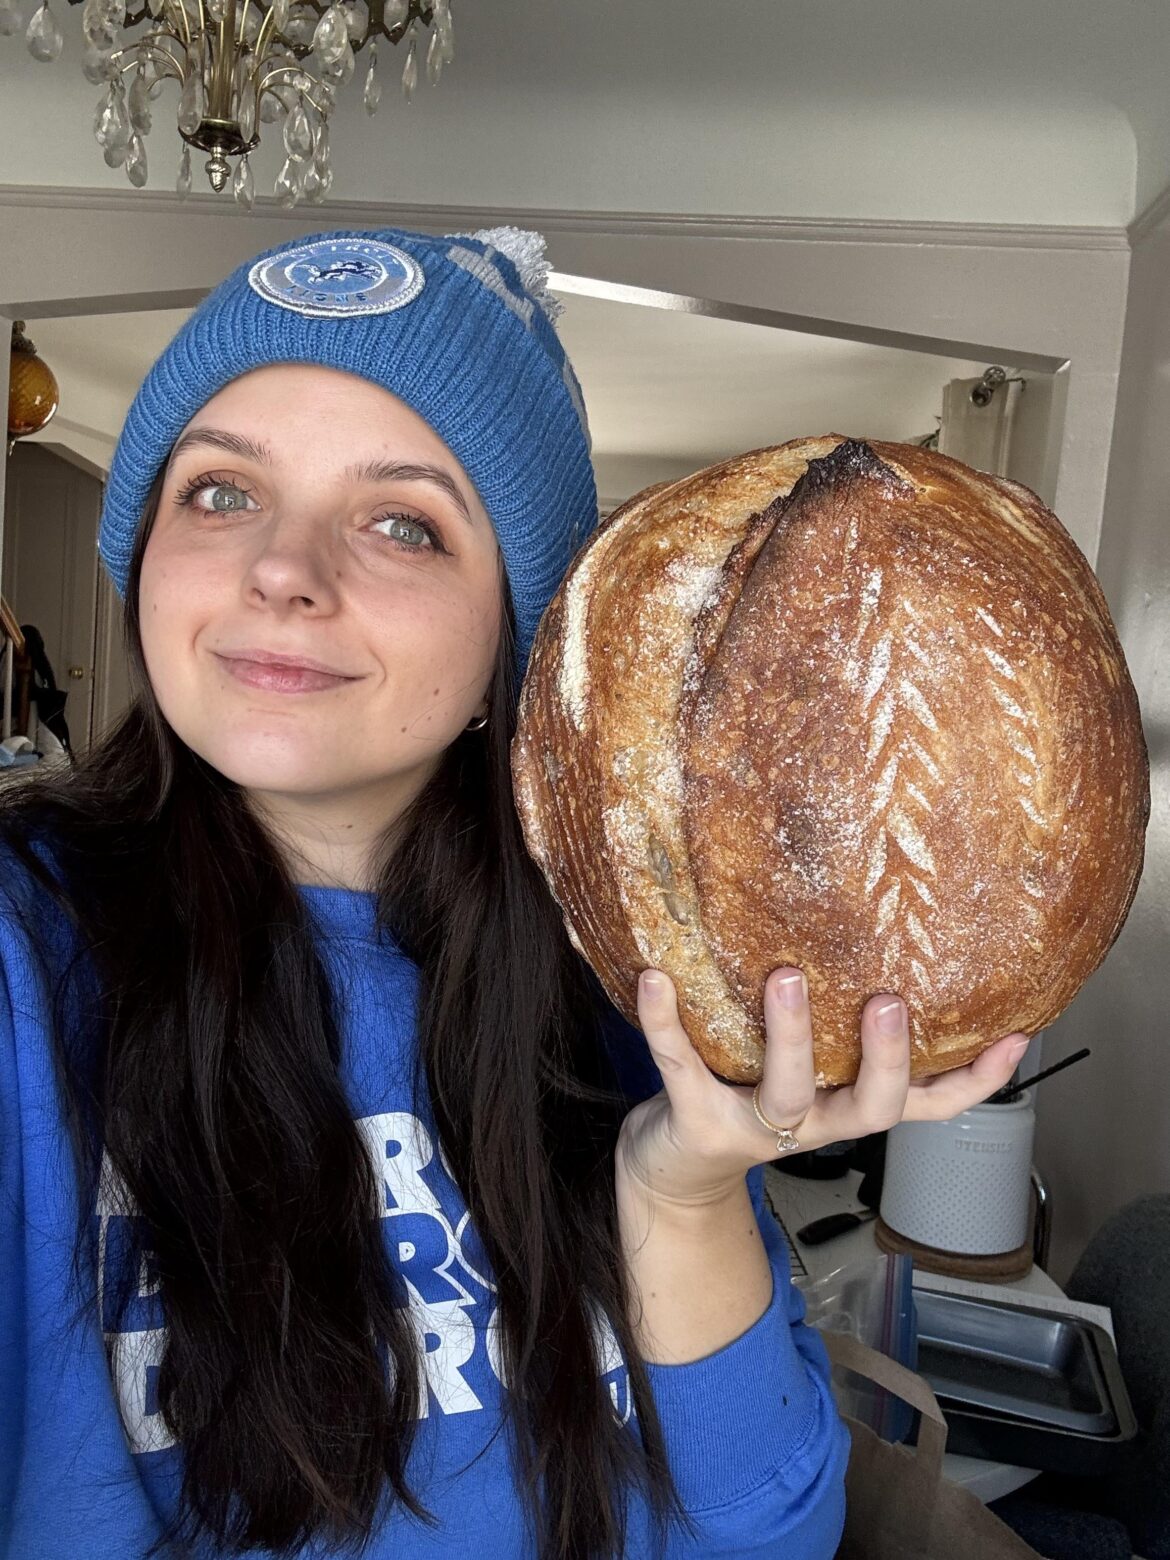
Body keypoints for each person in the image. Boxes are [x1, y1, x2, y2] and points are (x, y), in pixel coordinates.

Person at [0, 226, 1031, 1560]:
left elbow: (768, 1533)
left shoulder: (634, 971)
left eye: (399, 522)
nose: (282, 570)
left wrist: (682, 1192)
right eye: (217, 493)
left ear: (517, 633)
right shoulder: (32, 956)